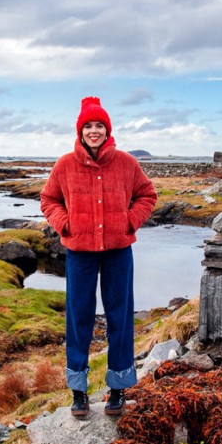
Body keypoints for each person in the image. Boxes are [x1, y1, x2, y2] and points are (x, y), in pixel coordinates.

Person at [40, 96, 157, 417]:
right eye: (88, 126)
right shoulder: (65, 164)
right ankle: (78, 391)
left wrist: (130, 221)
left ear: (108, 130)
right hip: (80, 254)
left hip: (119, 252)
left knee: (120, 316)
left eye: (99, 126)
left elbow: (147, 195)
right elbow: (49, 199)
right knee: (79, 318)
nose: (94, 131)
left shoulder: (126, 163)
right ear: (80, 131)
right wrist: (65, 224)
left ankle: (118, 387)